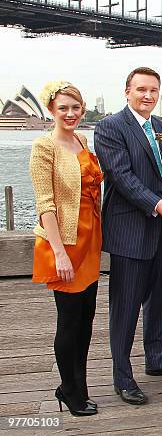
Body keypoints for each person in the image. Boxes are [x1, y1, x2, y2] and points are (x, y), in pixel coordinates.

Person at [94, 67, 162, 406]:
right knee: (125, 308)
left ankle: (159, 360)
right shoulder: (110, 127)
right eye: (141, 89)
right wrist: (157, 204)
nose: (147, 95)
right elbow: (121, 177)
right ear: (127, 91)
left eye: (153, 90)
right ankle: (123, 378)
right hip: (131, 231)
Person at [30, 81, 102, 416]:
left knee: (86, 319)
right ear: (51, 110)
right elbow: (46, 204)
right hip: (65, 243)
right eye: (63, 108)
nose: (70, 114)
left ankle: (78, 384)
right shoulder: (44, 148)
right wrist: (59, 253)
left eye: (75, 107)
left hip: (91, 242)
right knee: (69, 321)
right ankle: (69, 391)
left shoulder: (81, 140)